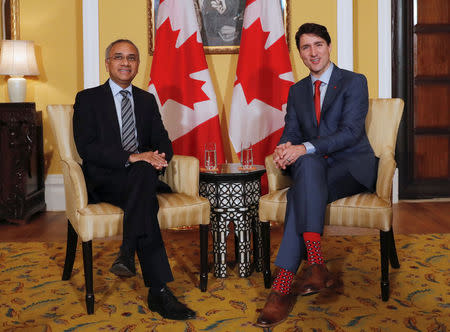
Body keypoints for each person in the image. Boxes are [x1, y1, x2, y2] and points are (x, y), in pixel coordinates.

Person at [256, 23, 378, 328]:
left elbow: (350, 133)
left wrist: (304, 147)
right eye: (306, 47)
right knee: (307, 169)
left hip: (351, 167)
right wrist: (285, 147)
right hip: (315, 168)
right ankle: (316, 265)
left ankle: (282, 288)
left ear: (329, 46)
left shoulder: (353, 82)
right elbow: (292, 130)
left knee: (301, 187)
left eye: (318, 45)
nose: (313, 52)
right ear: (299, 53)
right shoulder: (297, 91)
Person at [73, 39, 196, 321]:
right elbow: (87, 148)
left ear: (138, 64)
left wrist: (156, 157)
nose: (125, 63)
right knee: (145, 198)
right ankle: (158, 290)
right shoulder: (88, 99)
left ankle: (130, 255)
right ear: (108, 63)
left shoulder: (145, 100)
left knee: (142, 177)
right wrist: (134, 157)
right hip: (106, 179)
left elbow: (162, 140)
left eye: (131, 58)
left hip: (141, 178)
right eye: (118, 57)